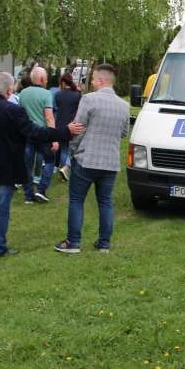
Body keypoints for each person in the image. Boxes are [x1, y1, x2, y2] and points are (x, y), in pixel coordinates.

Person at [0, 71, 78, 257]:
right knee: (1, 207)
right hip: (6, 168)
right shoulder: (14, 111)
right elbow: (36, 133)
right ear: (10, 90)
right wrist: (64, 132)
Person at [55, 63, 129, 254]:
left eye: (94, 79)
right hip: (110, 161)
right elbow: (124, 133)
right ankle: (104, 243)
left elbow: (77, 128)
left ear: (102, 80)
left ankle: (73, 242)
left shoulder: (89, 100)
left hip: (86, 159)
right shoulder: (124, 105)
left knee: (76, 200)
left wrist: (73, 151)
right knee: (105, 202)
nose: (93, 83)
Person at [17, 65, 57, 203]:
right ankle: (41, 189)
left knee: (26, 164)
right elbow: (49, 117)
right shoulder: (46, 94)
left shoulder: (23, 93)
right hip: (43, 134)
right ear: (41, 79)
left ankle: (28, 195)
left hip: (26, 133)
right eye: (46, 78)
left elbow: (20, 114)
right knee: (50, 160)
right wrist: (54, 138)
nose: (47, 81)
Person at [53, 72, 82, 181]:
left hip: (60, 125)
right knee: (73, 149)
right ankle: (65, 168)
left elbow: (56, 107)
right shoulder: (78, 94)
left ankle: (63, 168)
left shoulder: (58, 94)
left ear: (63, 83)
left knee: (64, 149)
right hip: (73, 125)